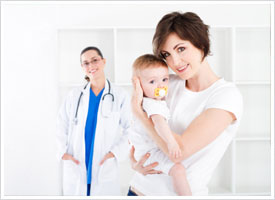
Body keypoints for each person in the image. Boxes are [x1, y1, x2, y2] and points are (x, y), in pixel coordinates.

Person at [128, 11, 243, 196]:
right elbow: (136, 133)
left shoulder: (226, 96)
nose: (175, 62)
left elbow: (179, 151)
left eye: (181, 49)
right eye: (167, 54)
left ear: (201, 43)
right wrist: (133, 161)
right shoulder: (166, 83)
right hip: (137, 189)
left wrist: (140, 115)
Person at [56, 46, 131, 196]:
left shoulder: (119, 95)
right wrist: (63, 152)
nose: (91, 66)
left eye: (95, 60)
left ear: (103, 62)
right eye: (86, 63)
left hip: (104, 165)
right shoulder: (74, 96)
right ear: (82, 67)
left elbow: (132, 129)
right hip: (76, 163)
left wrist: (114, 153)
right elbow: (60, 125)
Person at [129, 54, 192, 195]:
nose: (161, 86)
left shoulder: (144, 103)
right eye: (152, 82)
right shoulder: (153, 104)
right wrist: (171, 143)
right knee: (178, 170)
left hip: (143, 152)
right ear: (138, 84)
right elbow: (159, 124)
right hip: (150, 153)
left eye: (165, 79)